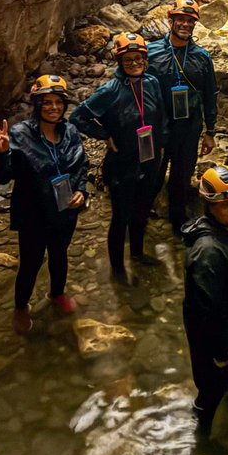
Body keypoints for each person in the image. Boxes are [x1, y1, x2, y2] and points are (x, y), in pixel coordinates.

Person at [0, 75, 88, 335]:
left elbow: (81, 166)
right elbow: (2, 177)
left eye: (58, 102)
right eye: (47, 102)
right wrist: (2, 152)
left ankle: (56, 294)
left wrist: (81, 190)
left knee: (59, 255)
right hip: (33, 213)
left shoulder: (69, 131)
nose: (54, 107)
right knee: (31, 263)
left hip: (64, 209)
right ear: (36, 105)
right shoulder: (19, 134)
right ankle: (20, 307)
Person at [72, 33, 167, 281]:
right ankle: (117, 269)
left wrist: (161, 143)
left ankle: (137, 254)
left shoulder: (152, 83)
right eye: (128, 60)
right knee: (121, 216)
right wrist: (104, 134)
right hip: (122, 163)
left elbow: (161, 116)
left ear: (145, 60)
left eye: (138, 58)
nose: (134, 63)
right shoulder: (110, 90)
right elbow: (77, 117)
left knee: (142, 210)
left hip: (150, 158)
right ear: (119, 61)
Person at [182, 165, 228, 438]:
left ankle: (226, 397)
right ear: (209, 205)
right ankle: (204, 437)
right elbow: (205, 309)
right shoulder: (208, 251)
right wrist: (220, 352)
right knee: (211, 390)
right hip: (216, 338)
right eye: (226, 204)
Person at [146, 0, 218, 230]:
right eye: (181, 20)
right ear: (170, 20)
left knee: (182, 174)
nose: (185, 25)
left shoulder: (202, 57)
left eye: (190, 21)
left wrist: (210, 131)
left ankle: (178, 222)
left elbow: (210, 94)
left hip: (189, 126)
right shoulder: (151, 53)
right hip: (159, 127)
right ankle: (140, 218)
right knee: (152, 174)